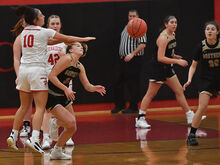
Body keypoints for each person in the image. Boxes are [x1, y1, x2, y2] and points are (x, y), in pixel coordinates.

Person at [7, 5, 95, 154]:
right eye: (41, 15)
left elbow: (49, 42)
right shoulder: (44, 31)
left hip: (23, 72)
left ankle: (13, 134)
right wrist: (83, 39)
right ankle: (35, 139)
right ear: (35, 19)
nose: (43, 16)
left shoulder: (23, 34)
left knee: (23, 107)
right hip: (38, 72)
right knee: (41, 107)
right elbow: (66, 38)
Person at [135, 16, 206, 128]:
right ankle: (140, 118)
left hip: (167, 68)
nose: (174, 24)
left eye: (176, 22)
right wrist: (177, 62)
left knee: (179, 91)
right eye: (171, 22)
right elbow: (160, 58)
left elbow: (168, 52)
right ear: (166, 24)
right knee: (150, 94)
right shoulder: (163, 38)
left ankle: (189, 115)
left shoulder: (173, 34)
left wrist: (174, 56)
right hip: (158, 68)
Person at [46, 42, 106, 159]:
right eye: (77, 46)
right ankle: (55, 123)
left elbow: (87, 86)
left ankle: (56, 151)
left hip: (64, 95)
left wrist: (94, 88)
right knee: (71, 122)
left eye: (82, 46)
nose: (81, 47)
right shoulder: (66, 58)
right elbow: (51, 76)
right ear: (71, 50)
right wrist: (65, 89)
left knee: (72, 127)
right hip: (52, 94)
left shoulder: (79, 66)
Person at [184, 21, 220, 146]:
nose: (209, 31)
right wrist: (189, 79)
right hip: (206, 80)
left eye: (212, 29)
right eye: (207, 29)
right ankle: (192, 135)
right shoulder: (200, 46)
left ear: (217, 32)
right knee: (202, 107)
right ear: (205, 32)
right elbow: (193, 66)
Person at [41, 15, 74, 150]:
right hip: (48, 79)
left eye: (57, 23)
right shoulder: (43, 41)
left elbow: (72, 61)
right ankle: (46, 138)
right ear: (48, 26)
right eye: (52, 24)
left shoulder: (65, 42)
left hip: (63, 79)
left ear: (61, 25)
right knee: (46, 110)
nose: (55, 26)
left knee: (68, 107)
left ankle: (68, 134)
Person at [111, 9, 147, 114]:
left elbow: (143, 44)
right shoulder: (126, 27)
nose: (131, 18)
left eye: (134, 16)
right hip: (123, 60)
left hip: (134, 60)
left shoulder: (140, 26)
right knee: (118, 83)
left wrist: (132, 54)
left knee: (133, 84)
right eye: (130, 16)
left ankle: (133, 107)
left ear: (138, 17)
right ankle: (120, 105)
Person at [11, 17, 32, 137]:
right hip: (26, 72)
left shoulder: (40, 34)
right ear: (23, 24)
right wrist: (18, 75)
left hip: (41, 70)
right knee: (26, 102)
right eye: (26, 21)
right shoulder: (20, 38)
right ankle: (25, 125)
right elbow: (16, 59)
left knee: (43, 102)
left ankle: (46, 129)